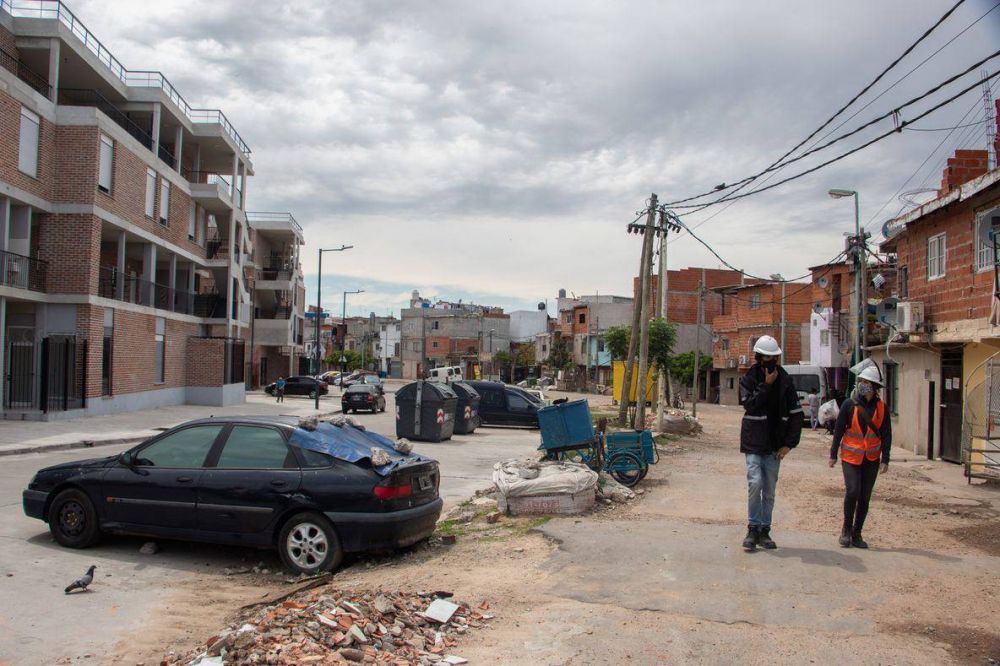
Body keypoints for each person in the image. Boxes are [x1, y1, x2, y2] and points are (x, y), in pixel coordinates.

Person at [739, 335, 804, 552]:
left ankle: (764, 530)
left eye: (773, 357)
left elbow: (796, 414)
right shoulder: (749, 378)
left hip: (775, 445)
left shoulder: (785, 380)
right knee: (754, 483)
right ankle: (752, 528)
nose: (770, 361)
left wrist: (789, 444)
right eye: (766, 357)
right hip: (753, 442)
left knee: (769, 491)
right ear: (758, 357)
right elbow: (750, 405)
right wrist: (766, 386)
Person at [828, 363, 891, 549]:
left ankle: (857, 533)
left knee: (864, 497)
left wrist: (885, 459)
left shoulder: (881, 408)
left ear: (874, 386)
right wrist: (833, 454)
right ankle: (846, 530)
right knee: (853, 491)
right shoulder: (849, 404)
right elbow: (838, 430)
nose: (863, 384)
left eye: (867, 382)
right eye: (861, 381)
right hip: (850, 457)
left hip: (871, 459)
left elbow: (886, 433)